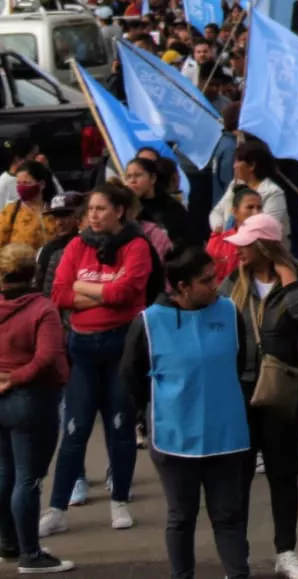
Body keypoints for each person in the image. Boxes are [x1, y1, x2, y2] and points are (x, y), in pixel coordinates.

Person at [121, 247, 252, 579]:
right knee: (182, 517)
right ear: (181, 287)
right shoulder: (149, 322)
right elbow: (132, 376)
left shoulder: (229, 312)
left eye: (215, 276)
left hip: (226, 435)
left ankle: (238, 575)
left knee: (229, 516)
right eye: (206, 280)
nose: (216, 284)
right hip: (174, 435)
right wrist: (147, 412)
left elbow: (239, 365)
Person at [42, 182, 154, 538]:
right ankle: (57, 508)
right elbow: (59, 293)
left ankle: (119, 499)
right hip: (82, 348)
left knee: (120, 427)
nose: (93, 215)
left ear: (119, 211)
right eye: (90, 209)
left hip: (122, 346)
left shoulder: (137, 246)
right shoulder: (77, 245)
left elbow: (127, 294)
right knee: (74, 429)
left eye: (101, 209)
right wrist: (103, 293)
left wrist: (84, 288)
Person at [223, 214, 298, 579]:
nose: (238, 251)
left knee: (283, 474)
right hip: (241, 388)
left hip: (283, 391)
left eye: (245, 244)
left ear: (264, 246)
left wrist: (288, 276)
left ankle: (286, 551)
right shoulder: (232, 284)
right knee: (238, 477)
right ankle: (238, 556)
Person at [0, 242, 71, 574]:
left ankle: (9, 544)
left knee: (5, 474)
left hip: (2, 397)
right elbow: (47, 358)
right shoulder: (43, 309)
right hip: (32, 399)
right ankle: (31, 554)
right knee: (27, 479)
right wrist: (17, 378)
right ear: (35, 272)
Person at [211, 139, 289, 236]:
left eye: (238, 161)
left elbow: (265, 227)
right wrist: (219, 227)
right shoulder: (235, 185)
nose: (234, 166)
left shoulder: (273, 193)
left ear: (252, 165)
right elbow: (217, 212)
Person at [124, 157, 190, 250]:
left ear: (152, 178)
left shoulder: (172, 207)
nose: (132, 181)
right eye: (128, 177)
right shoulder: (125, 208)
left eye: (138, 175)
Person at [207, 187, 261, 284]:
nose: (256, 212)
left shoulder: (266, 242)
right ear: (235, 212)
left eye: (259, 208)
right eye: (250, 207)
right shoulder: (218, 241)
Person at [0, 163, 53, 253]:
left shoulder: (55, 210)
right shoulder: (10, 211)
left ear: (42, 184)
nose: (21, 187)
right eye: (19, 183)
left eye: (26, 183)